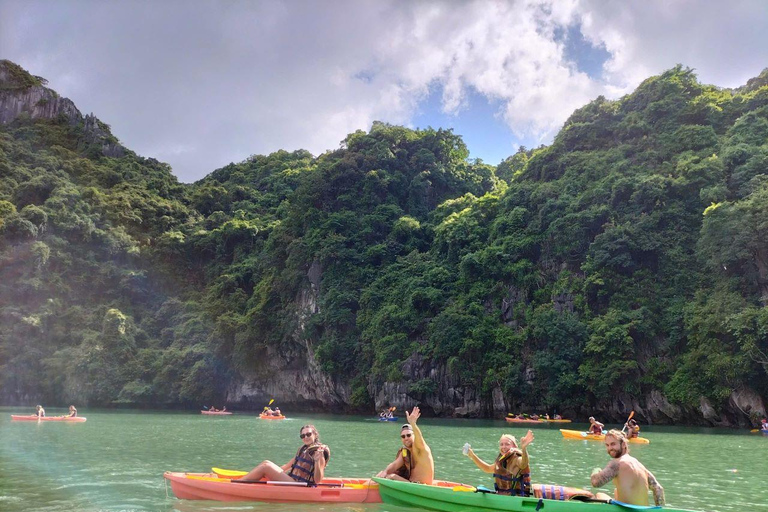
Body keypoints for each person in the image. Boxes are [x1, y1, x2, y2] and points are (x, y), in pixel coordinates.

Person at [591, 430, 664, 506]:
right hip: (643, 510)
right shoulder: (640, 465)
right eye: (607, 445)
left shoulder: (617, 463)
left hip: (627, 510)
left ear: (623, 444)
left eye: (613, 444)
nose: (610, 448)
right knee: (616, 491)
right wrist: (659, 509)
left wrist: (596, 471)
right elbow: (658, 488)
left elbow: (595, 482)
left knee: (599, 495)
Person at [238, 424, 330, 484]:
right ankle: (244, 480)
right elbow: (286, 466)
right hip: (292, 480)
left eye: (308, 434)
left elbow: (318, 480)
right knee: (266, 463)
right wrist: (271, 473)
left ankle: (238, 483)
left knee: (266, 467)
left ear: (315, 434)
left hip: (301, 485)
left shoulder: (318, 452)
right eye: (303, 436)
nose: (305, 437)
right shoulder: (303, 449)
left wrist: (317, 461)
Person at [375, 406, 434, 484]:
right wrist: (385, 472)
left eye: (409, 435)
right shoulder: (406, 452)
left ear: (414, 435)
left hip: (422, 487)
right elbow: (395, 465)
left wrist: (413, 424)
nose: (406, 438)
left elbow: (420, 438)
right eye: (403, 436)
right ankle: (365, 488)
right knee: (382, 473)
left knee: (392, 477)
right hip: (410, 484)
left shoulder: (421, 449)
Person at [464, 430, 534, 496]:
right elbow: (487, 468)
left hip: (516, 498)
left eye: (507, 444)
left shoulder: (516, 458)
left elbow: (524, 463)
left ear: (515, 446)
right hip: (502, 495)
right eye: (501, 444)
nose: (504, 447)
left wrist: (524, 449)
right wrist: (472, 456)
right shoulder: (501, 460)